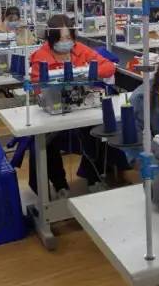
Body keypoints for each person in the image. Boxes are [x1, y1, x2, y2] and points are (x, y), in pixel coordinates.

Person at [28, 14, 116, 196]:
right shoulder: (41, 56)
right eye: (60, 39)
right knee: (47, 142)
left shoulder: (80, 49)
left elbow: (109, 67)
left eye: (68, 37)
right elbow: (37, 86)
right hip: (53, 110)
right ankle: (60, 184)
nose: (65, 42)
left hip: (81, 107)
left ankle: (94, 178)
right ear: (51, 39)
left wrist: (86, 72)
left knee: (97, 132)